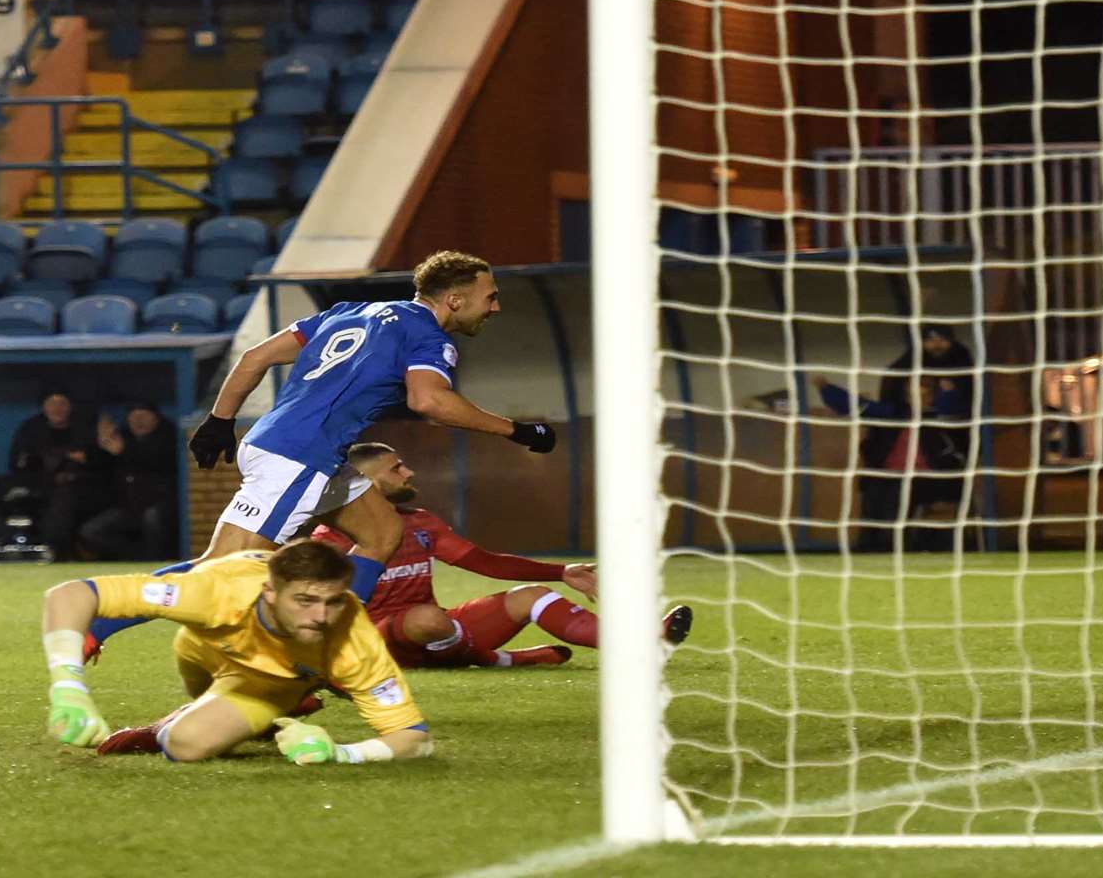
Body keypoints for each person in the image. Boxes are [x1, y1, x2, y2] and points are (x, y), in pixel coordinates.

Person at [83, 251, 558, 657]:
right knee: (217, 573)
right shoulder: (429, 337)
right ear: (455, 299)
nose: (495, 307)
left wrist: (221, 420)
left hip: (291, 445)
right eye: (490, 296)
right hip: (298, 457)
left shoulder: (349, 310)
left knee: (382, 531)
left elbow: (255, 357)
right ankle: (96, 621)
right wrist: (516, 431)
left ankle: (334, 646)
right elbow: (429, 400)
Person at [41, 539, 433, 764]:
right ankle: (221, 710)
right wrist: (68, 687)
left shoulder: (353, 638)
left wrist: (342, 753)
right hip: (202, 648)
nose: (321, 616)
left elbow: (415, 739)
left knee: (186, 745)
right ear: (270, 591)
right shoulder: (212, 591)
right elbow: (71, 593)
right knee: (194, 689)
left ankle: (278, 703)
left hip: (269, 680)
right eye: (305, 600)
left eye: (333, 602)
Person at [311, 443, 692, 667]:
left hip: (443, 633)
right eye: (397, 468)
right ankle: (506, 660)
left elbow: (483, 561)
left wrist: (560, 573)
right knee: (426, 619)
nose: (409, 472)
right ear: (368, 484)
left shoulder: (421, 522)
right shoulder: (329, 540)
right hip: (379, 645)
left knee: (531, 596)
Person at [816, 367, 972, 552]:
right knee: (874, 488)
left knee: (900, 489)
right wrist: (826, 388)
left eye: (925, 391)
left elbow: (953, 410)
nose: (918, 396)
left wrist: (948, 392)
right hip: (890, 477)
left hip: (934, 479)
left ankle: (891, 546)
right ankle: (869, 547)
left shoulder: (941, 417)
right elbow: (857, 405)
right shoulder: (892, 414)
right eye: (913, 391)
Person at [3, 389, 107, 559]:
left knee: (64, 497)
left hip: (83, 489)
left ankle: (55, 552)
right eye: (51, 404)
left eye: (62, 404)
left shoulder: (86, 427)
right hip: (41, 486)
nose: (57, 408)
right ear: (43, 407)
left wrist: (76, 464)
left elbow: (101, 463)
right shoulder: (31, 429)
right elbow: (19, 464)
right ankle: (8, 547)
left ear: (70, 407)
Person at [78, 404, 179, 561]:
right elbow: (96, 462)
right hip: (128, 508)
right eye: (134, 417)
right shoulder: (122, 437)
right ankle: (136, 558)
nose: (139, 421)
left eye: (144, 416)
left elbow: (159, 462)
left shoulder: (169, 437)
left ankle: (155, 562)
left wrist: (124, 451)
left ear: (156, 419)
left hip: (160, 504)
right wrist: (101, 442)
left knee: (153, 519)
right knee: (91, 531)